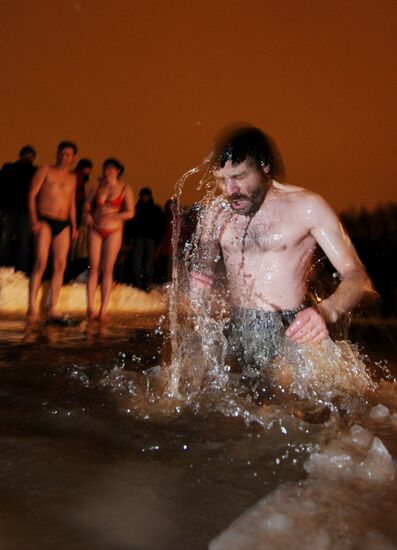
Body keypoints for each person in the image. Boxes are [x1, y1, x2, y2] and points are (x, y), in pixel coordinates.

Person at [190, 126, 374, 394]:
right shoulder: (215, 212)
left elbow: (357, 276)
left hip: (291, 332)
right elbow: (203, 258)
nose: (230, 190)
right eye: (221, 180)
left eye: (239, 177)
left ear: (264, 167)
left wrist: (326, 310)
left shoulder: (307, 207)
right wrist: (201, 273)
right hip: (237, 327)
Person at [84, 158, 134, 321]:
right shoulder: (97, 186)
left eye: (112, 168)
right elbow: (87, 204)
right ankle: (90, 307)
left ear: (118, 171)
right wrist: (87, 215)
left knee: (107, 268)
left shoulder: (125, 188)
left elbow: (130, 212)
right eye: (106, 167)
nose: (109, 171)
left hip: (113, 230)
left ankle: (103, 309)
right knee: (93, 267)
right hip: (96, 229)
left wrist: (115, 214)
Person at [0, 145, 37, 273]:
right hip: (22, 210)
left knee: (7, 241)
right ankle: (20, 271)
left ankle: (5, 269)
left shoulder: (9, 168)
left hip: (12, 209)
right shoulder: (34, 171)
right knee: (22, 243)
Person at [130, 187, 164, 290]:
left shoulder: (154, 209)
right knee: (137, 262)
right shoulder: (137, 208)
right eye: (143, 195)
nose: (144, 197)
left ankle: (146, 283)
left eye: (146, 195)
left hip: (150, 239)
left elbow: (160, 225)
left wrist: (158, 240)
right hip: (139, 238)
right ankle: (139, 283)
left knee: (148, 263)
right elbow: (131, 225)